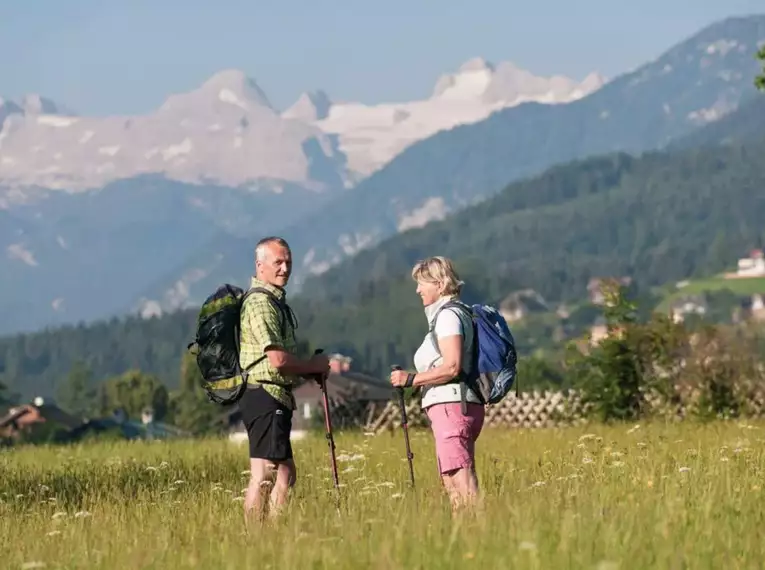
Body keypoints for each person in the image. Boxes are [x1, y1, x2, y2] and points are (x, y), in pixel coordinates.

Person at [238, 236, 330, 523]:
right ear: (260, 265)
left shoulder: (272, 301)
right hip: (265, 394)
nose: (285, 268)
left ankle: (266, 535)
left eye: (288, 261)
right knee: (269, 473)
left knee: (277, 472)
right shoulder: (262, 304)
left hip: (266, 395)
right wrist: (312, 367)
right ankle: (263, 536)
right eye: (278, 262)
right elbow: (277, 360)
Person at [389, 256, 485, 511]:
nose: (418, 290)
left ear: (441, 285)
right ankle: (466, 538)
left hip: (451, 405)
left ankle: (478, 534)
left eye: (423, 283)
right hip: (459, 404)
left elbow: (452, 366)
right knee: (451, 479)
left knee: (460, 479)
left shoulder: (448, 317)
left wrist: (411, 379)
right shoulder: (457, 313)